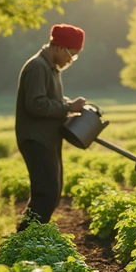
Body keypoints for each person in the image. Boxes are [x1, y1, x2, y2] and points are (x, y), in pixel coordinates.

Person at [15, 24, 86, 231]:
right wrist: (67, 107)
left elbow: (49, 99)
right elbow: (35, 104)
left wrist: (69, 106)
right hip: (36, 139)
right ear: (59, 47)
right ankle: (24, 240)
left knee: (52, 191)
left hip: (48, 138)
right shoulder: (37, 66)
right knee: (45, 193)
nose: (69, 61)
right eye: (71, 56)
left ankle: (29, 238)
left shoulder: (51, 68)